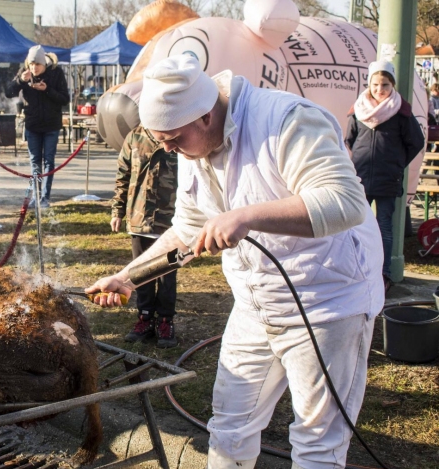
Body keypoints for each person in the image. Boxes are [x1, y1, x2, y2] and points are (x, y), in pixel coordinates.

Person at [86, 55, 384, 469]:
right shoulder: (192, 146)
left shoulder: (286, 120)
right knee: (229, 425)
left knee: (318, 443)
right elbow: (188, 227)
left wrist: (247, 215)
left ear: (206, 116)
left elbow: (345, 201)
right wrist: (129, 276)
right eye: (161, 140)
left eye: (173, 138)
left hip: (327, 300)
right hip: (256, 303)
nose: (170, 150)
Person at [345, 60, 424, 293]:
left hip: (388, 178)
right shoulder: (358, 109)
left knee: (384, 227)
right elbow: (350, 138)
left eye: (386, 85)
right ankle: (357, 268)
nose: (380, 90)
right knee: (357, 224)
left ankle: (384, 273)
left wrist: (397, 163)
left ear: (393, 85)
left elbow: (415, 142)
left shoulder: (401, 112)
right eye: (376, 84)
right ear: (369, 84)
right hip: (361, 177)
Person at [111, 124, 179, 348]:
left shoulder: (177, 133)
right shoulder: (134, 137)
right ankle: (145, 318)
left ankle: (166, 321)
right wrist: (117, 211)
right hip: (139, 218)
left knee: (167, 273)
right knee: (141, 272)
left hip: (170, 220)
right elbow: (123, 175)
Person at [5, 45, 70, 208]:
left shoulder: (56, 73)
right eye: (31, 64)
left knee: (49, 160)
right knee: (35, 162)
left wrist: (47, 90)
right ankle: (37, 195)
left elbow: (64, 99)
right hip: (32, 125)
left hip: (51, 125)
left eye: (37, 65)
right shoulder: (24, 72)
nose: (34, 68)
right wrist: (21, 81)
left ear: (44, 64)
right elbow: (8, 92)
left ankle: (45, 198)